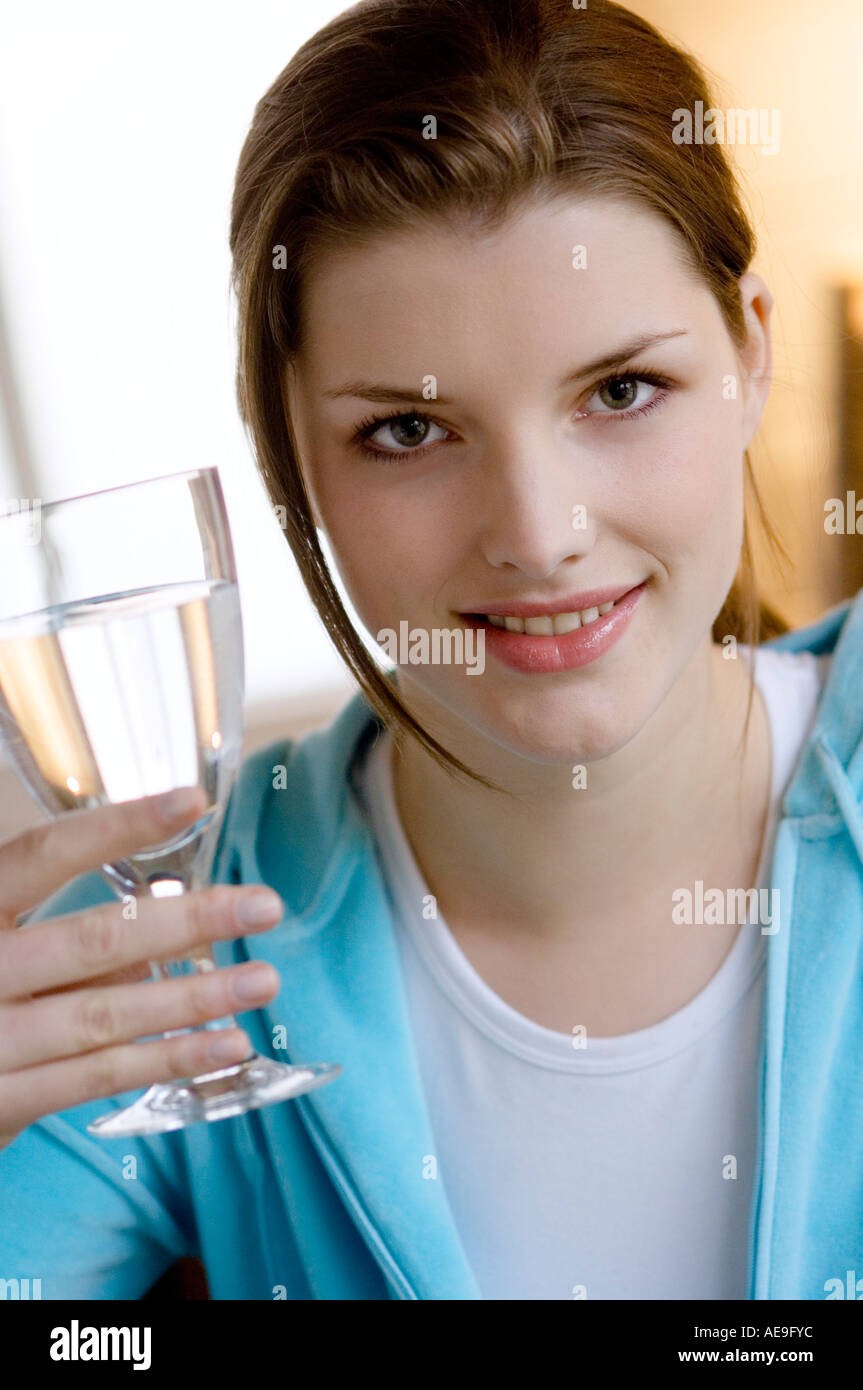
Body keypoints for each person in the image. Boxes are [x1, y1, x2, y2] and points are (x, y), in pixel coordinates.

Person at [1, 0, 861, 1301]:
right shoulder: (157, 958)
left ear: (750, 349)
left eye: (621, 391)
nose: (538, 534)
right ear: (283, 449)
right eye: (408, 429)